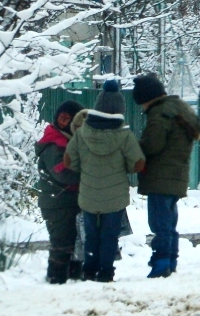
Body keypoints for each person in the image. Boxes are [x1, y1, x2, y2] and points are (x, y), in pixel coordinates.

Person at [64, 80, 145, 282]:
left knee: (91, 235)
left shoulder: (82, 133)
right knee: (109, 236)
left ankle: (89, 270)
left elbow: (69, 160)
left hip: (89, 194)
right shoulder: (125, 135)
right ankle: (106, 272)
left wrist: (85, 168)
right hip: (114, 197)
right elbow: (137, 163)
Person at [132, 73, 200, 279]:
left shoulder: (160, 113)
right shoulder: (180, 108)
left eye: (142, 104)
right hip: (177, 175)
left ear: (147, 98)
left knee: (159, 223)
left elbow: (153, 144)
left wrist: (135, 149)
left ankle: (162, 263)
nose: (143, 109)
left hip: (160, 177)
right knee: (169, 223)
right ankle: (170, 259)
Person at [34, 100, 85, 284]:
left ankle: (72, 277)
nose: (63, 121)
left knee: (74, 242)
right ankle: (56, 278)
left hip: (66, 201)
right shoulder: (54, 144)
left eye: (68, 118)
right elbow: (62, 173)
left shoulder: (67, 141)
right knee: (62, 243)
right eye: (61, 117)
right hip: (57, 204)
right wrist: (86, 176)